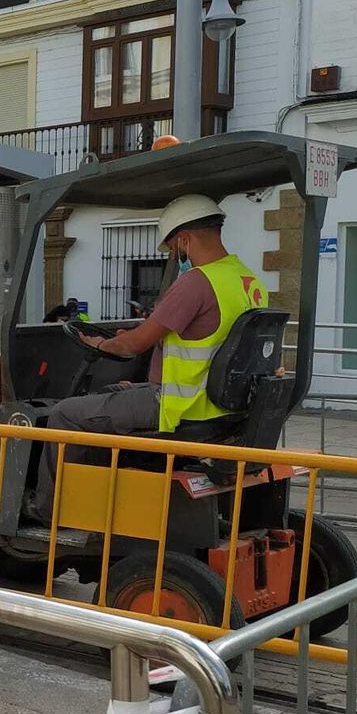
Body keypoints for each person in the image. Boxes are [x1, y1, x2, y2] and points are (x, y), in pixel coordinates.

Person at [31, 195, 268, 517]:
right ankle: (100, 496)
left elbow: (133, 346)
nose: (175, 255)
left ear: (183, 239)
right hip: (219, 407)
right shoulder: (246, 279)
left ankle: (50, 513)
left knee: (65, 415)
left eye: (174, 248)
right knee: (110, 395)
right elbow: (199, 334)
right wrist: (128, 339)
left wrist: (101, 345)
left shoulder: (196, 282)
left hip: (178, 407)